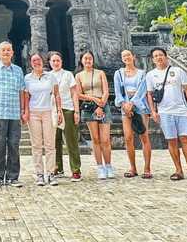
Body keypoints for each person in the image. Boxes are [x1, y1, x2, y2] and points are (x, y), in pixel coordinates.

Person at [146, 47, 187, 182]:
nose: (159, 58)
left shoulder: (177, 71)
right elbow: (149, 94)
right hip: (164, 112)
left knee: (185, 139)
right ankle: (178, 170)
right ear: (153, 60)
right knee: (171, 140)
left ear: (166, 57)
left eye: (161, 55)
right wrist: (153, 111)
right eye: (156, 56)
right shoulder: (150, 75)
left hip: (181, 110)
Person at [0, 41, 28, 188]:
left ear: (12, 53)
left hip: (14, 113)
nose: (5, 52)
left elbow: (22, 91)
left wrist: (23, 110)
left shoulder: (18, 71)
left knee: (14, 145)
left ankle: (12, 176)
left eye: (8, 50)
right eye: (3, 50)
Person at [24, 53, 63, 186]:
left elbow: (57, 95)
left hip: (48, 111)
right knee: (36, 145)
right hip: (33, 112)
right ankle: (39, 173)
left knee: (50, 144)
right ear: (30, 64)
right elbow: (25, 97)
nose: (36, 63)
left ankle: (51, 173)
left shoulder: (50, 76)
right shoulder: (27, 78)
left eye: (38, 60)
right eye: (33, 61)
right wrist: (25, 112)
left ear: (43, 61)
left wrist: (59, 110)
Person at [114, 48, 152, 179]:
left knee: (144, 136)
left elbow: (142, 89)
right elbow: (118, 91)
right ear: (121, 58)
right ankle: (133, 167)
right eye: (124, 56)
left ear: (133, 56)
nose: (126, 58)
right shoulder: (118, 74)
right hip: (125, 106)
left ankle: (147, 168)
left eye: (128, 55)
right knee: (128, 138)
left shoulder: (142, 73)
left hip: (140, 105)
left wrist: (132, 103)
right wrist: (124, 105)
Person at [76, 50, 114, 180]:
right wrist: (94, 100)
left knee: (105, 139)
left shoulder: (100, 73)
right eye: (85, 59)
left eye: (90, 58)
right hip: (88, 107)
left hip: (103, 106)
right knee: (95, 139)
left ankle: (108, 166)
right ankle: (100, 167)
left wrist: (100, 104)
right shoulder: (79, 76)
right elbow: (79, 94)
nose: (88, 61)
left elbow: (105, 91)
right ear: (81, 60)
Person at [49, 51, 82, 182]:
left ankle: (75, 169)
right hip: (52, 110)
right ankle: (58, 167)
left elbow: (74, 94)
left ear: (61, 62)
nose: (55, 63)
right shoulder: (48, 76)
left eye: (58, 60)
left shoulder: (68, 75)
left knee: (71, 140)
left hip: (68, 108)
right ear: (50, 63)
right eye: (53, 61)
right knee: (54, 140)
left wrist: (76, 111)